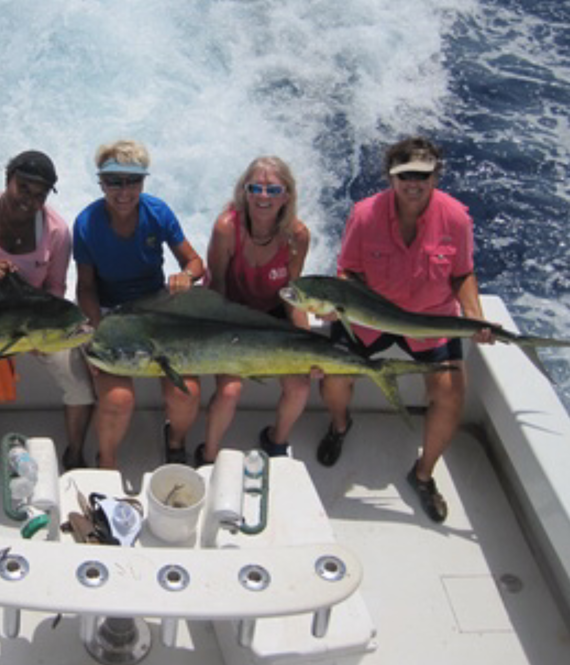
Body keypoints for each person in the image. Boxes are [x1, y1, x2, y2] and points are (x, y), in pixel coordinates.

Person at [318, 136, 494, 523]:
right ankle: (340, 425)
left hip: (428, 319)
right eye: (405, 175)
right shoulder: (364, 215)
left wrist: (474, 314)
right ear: (391, 177)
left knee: (450, 394)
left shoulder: (457, 218)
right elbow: (347, 270)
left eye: (423, 175)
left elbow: (463, 271)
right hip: (370, 318)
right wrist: (339, 304)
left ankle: (423, 474)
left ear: (435, 176)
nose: (414, 183)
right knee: (334, 376)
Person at [0, 150, 95, 487]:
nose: (29, 199)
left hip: (33, 329)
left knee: (81, 388)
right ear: (7, 180)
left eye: (39, 193)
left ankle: (74, 453)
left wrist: (43, 336)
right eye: (23, 188)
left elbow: (56, 290)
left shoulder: (56, 232)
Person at [74, 139, 205, 469]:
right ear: (101, 182)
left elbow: (194, 262)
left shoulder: (157, 212)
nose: (123, 191)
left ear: (143, 182)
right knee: (119, 399)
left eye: (132, 181)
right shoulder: (86, 224)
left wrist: (186, 276)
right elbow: (85, 287)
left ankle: (174, 441)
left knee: (185, 391)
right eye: (113, 181)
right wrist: (95, 335)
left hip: (156, 312)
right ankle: (107, 460)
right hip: (109, 316)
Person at [201, 156, 312, 465]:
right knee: (229, 392)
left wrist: (310, 346)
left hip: (272, 319)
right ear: (244, 192)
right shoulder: (227, 228)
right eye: (256, 188)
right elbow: (217, 285)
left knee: (300, 386)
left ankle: (277, 442)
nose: (263, 196)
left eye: (273, 190)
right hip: (232, 316)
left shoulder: (297, 236)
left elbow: (293, 295)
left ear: (287, 195)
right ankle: (208, 454)